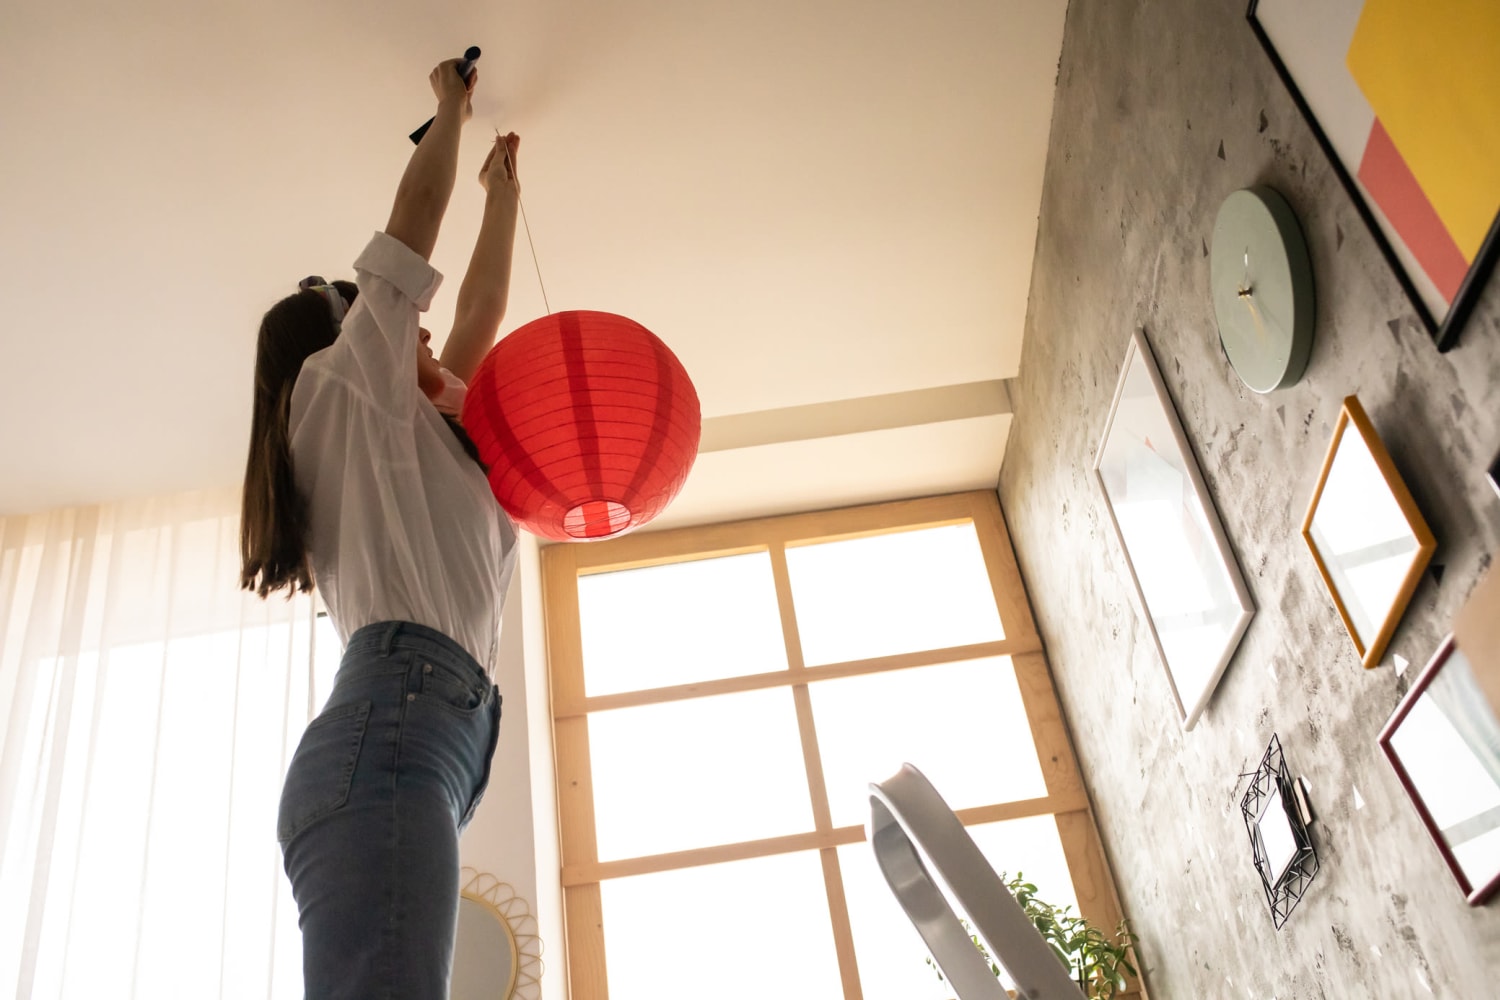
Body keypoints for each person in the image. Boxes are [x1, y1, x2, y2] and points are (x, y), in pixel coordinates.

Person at [237, 58, 521, 999]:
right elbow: (406, 238)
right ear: (354, 339)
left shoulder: (414, 435)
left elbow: (477, 313)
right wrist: (449, 110)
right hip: (398, 733)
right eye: (401, 328)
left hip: (413, 740)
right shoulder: (336, 394)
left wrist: (503, 197)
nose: (427, 339)